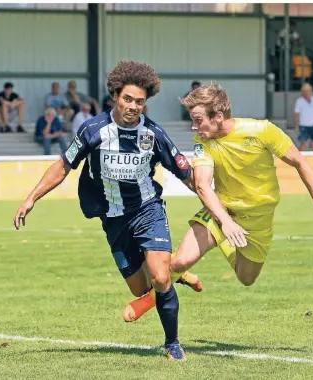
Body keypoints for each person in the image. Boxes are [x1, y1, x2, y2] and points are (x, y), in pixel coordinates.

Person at [13, 60, 202, 361]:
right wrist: (31, 198)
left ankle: (173, 343)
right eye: (128, 99)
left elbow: (186, 173)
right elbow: (63, 166)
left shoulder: (153, 134)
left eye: (140, 102)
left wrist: (214, 201)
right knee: (142, 288)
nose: (133, 106)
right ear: (115, 95)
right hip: (113, 219)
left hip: (147, 210)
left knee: (160, 278)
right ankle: (175, 272)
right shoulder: (93, 130)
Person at [123, 83, 313, 322]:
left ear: (218, 116)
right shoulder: (203, 141)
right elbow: (203, 186)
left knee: (246, 278)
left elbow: (301, 163)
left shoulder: (262, 131)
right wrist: (224, 221)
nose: (194, 127)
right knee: (182, 260)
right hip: (221, 210)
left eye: (198, 119)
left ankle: (216, 249)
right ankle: (150, 298)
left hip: (258, 220)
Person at [294, 83, 313, 151]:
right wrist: (296, 126)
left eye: (309, 90)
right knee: (302, 143)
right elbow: (296, 114)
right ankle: (301, 160)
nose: (308, 92)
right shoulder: (299, 101)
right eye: (305, 91)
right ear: (303, 92)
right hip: (304, 126)